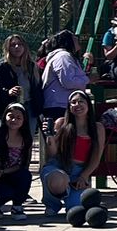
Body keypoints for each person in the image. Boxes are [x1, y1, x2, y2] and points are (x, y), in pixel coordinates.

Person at [42, 90, 105, 218]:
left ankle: (69, 194)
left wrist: (84, 175)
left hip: (79, 171)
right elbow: (53, 154)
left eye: (81, 101)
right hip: (59, 166)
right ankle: (52, 204)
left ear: (88, 104)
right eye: (73, 102)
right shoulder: (61, 123)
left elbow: (96, 157)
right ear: (69, 107)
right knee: (58, 180)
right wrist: (49, 137)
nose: (77, 105)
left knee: (77, 210)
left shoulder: (97, 128)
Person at [0, 34, 42, 146]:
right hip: (8, 108)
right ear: (8, 48)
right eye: (13, 45)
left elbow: (38, 87)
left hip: (29, 107)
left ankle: (24, 163)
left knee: (27, 141)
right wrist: (7, 92)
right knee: (7, 139)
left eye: (20, 44)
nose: (17, 47)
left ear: (25, 47)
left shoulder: (32, 66)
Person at [39, 31, 90, 130]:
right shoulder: (63, 56)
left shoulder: (67, 57)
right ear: (68, 41)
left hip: (61, 105)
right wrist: (88, 79)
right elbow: (68, 81)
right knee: (59, 140)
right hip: (58, 107)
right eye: (74, 37)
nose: (77, 39)